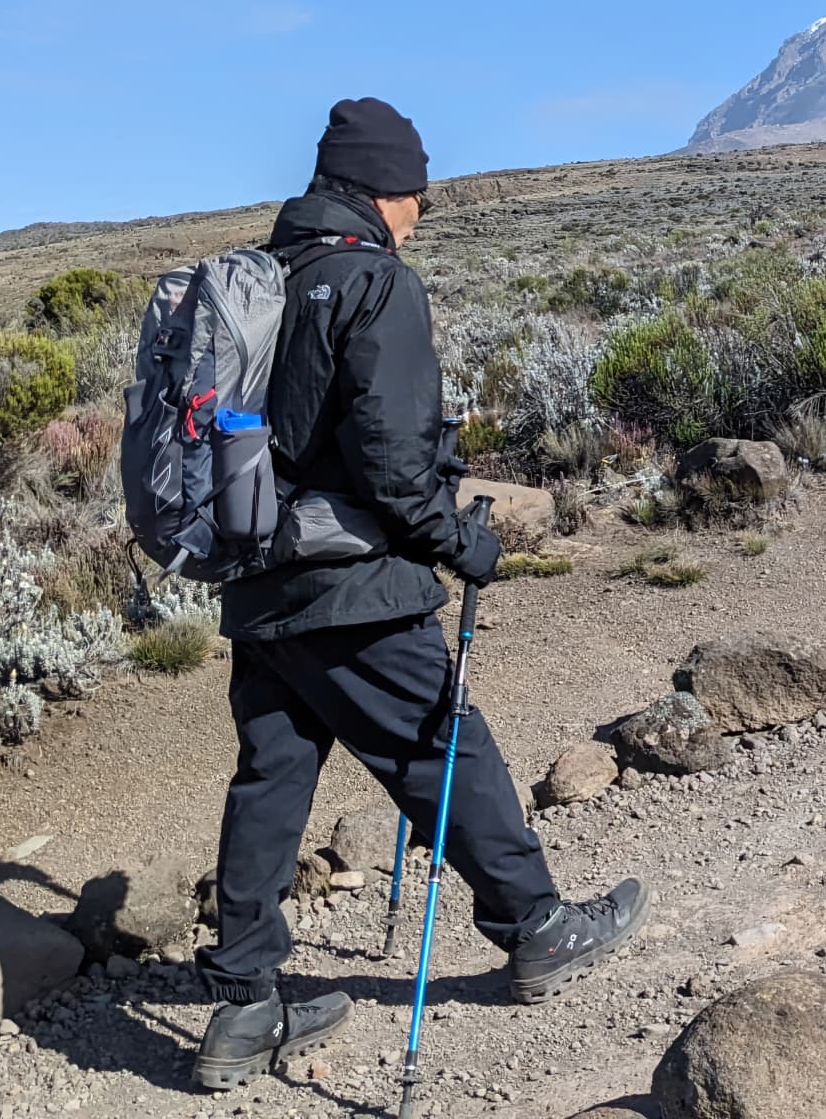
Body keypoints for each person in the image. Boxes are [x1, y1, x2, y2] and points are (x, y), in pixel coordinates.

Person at [192, 98, 649, 1090]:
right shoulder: (374, 284)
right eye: (416, 196)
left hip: (260, 575)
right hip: (350, 584)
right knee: (443, 743)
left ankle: (243, 1005)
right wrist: (462, 544)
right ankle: (538, 926)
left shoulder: (267, 278)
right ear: (381, 190)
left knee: (270, 779)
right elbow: (396, 466)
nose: (420, 214)